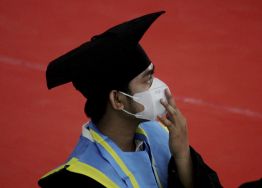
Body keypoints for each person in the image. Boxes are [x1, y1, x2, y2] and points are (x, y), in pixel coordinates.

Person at [38, 11, 222, 188]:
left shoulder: (161, 134)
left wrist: (183, 154)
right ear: (118, 99)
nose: (158, 86)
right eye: (147, 79)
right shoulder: (80, 179)